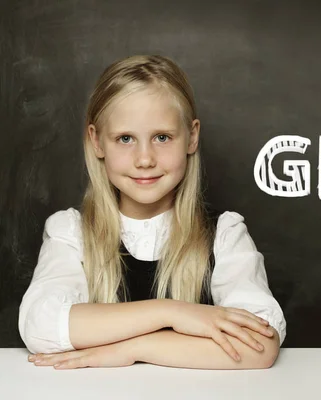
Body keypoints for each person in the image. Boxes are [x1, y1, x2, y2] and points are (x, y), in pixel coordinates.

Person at [18, 55, 286, 370]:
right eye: (125, 139)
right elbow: (41, 327)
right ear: (97, 141)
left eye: (162, 137)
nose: (145, 159)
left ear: (192, 136)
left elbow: (260, 346)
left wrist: (133, 349)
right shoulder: (71, 232)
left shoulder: (224, 234)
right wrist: (171, 313)